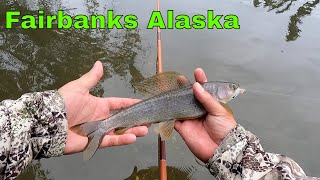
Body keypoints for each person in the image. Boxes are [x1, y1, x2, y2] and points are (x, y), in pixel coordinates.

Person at [0, 61, 318, 180]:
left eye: (231, 89)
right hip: (162, 114)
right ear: (218, 91)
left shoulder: (210, 101)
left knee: (143, 121)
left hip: (167, 114)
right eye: (230, 89)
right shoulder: (210, 95)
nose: (233, 91)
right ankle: (98, 130)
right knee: (119, 122)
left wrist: (38, 125)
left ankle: (98, 130)